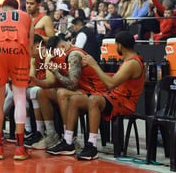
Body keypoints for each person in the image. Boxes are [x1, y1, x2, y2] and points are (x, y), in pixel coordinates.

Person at [33, 36, 107, 151]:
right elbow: (52, 82)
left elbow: (72, 85)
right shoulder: (58, 54)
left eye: (56, 54)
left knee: (63, 93)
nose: (55, 57)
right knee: (43, 92)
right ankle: (52, 134)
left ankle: (70, 139)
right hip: (82, 90)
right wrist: (36, 81)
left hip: (95, 92)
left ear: (62, 47)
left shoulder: (74, 55)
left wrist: (56, 72)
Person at [80, 31, 145, 160]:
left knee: (94, 100)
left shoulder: (132, 63)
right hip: (116, 98)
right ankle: (68, 139)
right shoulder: (130, 60)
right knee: (76, 100)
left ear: (119, 46)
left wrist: (94, 65)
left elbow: (111, 84)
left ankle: (92, 145)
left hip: (124, 103)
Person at [0, 0, 33, 160]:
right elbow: (31, 44)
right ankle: (20, 149)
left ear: (2, 7)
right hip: (19, 49)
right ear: (17, 8)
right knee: (20, 98)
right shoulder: (26, 16)